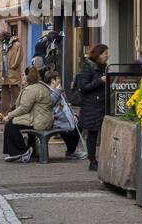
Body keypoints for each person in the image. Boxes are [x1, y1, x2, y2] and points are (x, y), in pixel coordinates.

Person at [2, 67, 53, 162]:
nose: (22, 77)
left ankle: (21, 151)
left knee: (11, 125)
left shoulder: (31, 89)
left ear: (28, 77)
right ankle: (30, 150)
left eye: (23, 75)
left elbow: (24, 108)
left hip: (39, 120)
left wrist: (9, 115)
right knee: (17, 123)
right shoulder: (40, 86)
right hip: (43, 118)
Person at [76, 43, 108, 172]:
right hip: (91, 106)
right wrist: (100, 81)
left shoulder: (104, 67)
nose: (107, 56)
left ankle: (100, 159)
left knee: (101, 132)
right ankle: (92, 161)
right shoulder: (87, 67)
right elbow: (83, 86)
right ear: (99, 55)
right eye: (105, 53)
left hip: (102, 104)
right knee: (93, 133)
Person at [44, 70, 85, 159]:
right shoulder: (46, 90)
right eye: (58, 79)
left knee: (80, 123)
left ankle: (71, 151)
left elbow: (66, 104)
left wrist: (73, 115)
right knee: (68, 128)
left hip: (62, 118)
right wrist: (58, 90)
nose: (60, 81)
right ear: (52, 80)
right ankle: (71, 151)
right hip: (54, 120)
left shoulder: (59, 89)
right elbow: (51, 102)